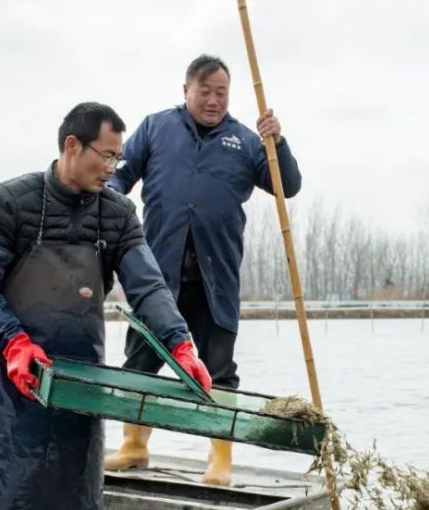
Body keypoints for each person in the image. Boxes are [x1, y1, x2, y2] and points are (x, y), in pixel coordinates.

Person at [0, 102, 211, 510]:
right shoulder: (8, 203)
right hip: (15, 386)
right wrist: (14, 343)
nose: (114, 168)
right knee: (1, 508)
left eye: (119, 158)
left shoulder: (117, 215)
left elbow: (147, 286)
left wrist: (180, 344)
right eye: (107, 155)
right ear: (72, 145)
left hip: (83, 386)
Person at [105, 54, 302, 485]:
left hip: (217, 277)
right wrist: (107, 201)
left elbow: (287, 185)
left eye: (221, 93)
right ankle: (134, 447)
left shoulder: (247, 142)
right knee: (140, 361)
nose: (213, 100)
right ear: (186, 91)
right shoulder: (157, 127)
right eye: (205, 91)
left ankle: (220, 459)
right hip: (157, 276)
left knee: (219, 370)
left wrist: (277, 143)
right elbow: (120, 176)